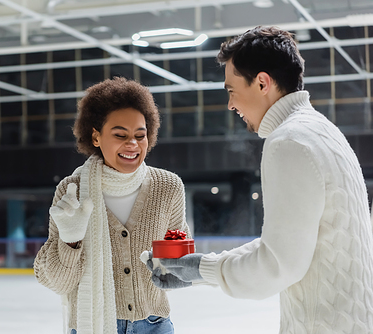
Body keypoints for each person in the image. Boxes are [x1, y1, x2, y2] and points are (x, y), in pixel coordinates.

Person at [146, 26, 373, 333]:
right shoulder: (322, 132)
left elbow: (277, 266)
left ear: (262, 82)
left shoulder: (290, 142)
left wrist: (201, 270)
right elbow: (284, 245)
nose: (230, 105)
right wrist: (201, 270)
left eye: (231, 90)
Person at [33, 77, 190, 334]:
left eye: (141, 135)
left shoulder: (168, 187)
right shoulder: (72, 191)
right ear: (96, 136)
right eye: (120, 135)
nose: (132, 144)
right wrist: (71, 240)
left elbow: (179, 265)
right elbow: (57, 282)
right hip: (92, 323)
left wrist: (176, 258)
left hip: (154, 325)